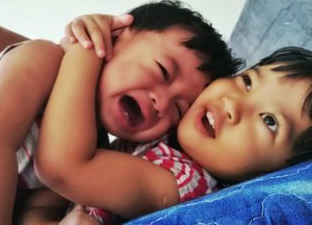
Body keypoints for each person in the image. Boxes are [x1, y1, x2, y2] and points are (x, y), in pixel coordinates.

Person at [0, 0, 241, 224]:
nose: (162, 103)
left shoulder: (88, 148)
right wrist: (87, 48)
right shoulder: (41, 59)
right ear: (115, 36)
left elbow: (36, 208)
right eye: (163, 71)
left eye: (179, 110)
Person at [31, 44, 312, 224]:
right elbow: (44, 200)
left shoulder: (185, 183)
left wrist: (84, 50)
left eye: (269, 121)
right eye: (248, 82)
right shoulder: (167, 133)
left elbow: (62, 166)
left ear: (273, 175)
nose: (233, 104)